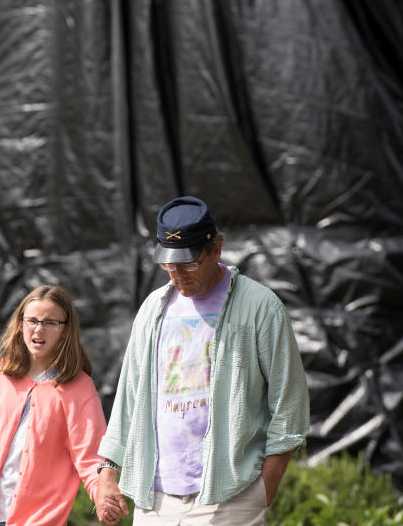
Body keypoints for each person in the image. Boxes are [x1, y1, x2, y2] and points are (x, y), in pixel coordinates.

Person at [95, 196, 310, 525]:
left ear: (216, 249)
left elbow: (289, 402)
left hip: (230, 497)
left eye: (189, 262)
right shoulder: (153, 308)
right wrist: (109, 469)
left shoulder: (261, 306)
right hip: (156, 500)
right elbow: (129, 396)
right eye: (168, 263)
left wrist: (264, 489)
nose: (177, 274)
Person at [0, 284, 125, 526]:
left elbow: (91, 458)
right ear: (20, 323)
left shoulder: (79, 387)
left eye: (50, 322)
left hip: (39, 520)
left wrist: (104, 496)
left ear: (65, 330)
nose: (39, 329)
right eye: (32, 320)